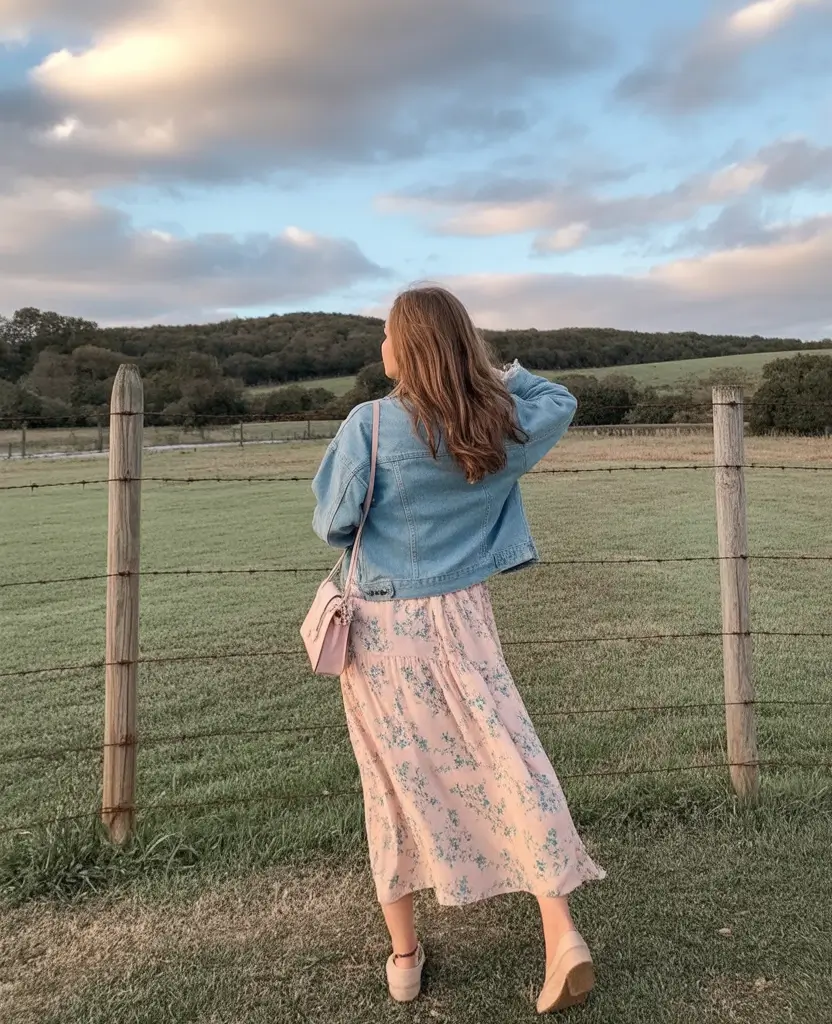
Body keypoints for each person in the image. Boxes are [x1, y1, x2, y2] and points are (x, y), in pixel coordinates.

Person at [311, 285, 605, 1013]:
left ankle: (405, 958)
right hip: (465, 619)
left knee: (392, 782)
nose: (379, 344)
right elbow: (559, 398)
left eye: (386, 333)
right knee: (508, 760)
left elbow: (332, 521)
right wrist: (494, 371)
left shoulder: (370, 425)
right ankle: (561, 931)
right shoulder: (496, 422)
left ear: (404, 347)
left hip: (384, 634)